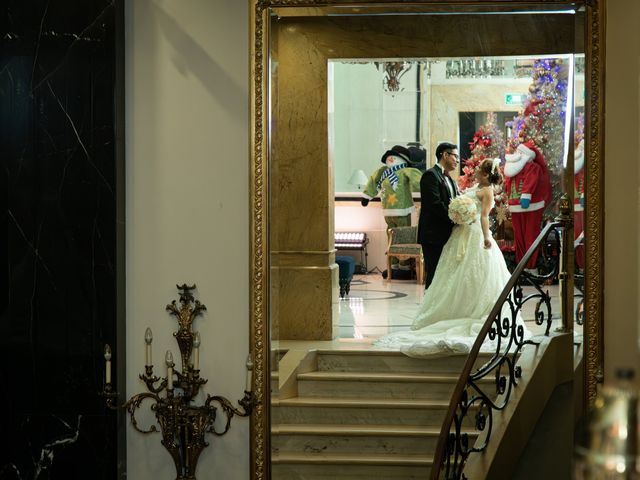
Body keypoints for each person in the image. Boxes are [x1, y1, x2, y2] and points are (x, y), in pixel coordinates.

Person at [374, 159, 529, 357]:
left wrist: (487, 237)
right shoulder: (477, 186)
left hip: (475, 235)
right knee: (452, 273)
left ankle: (471, 309)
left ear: (486, 174)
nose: (476, 173)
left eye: (479, 171)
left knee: (473, 273)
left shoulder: (488, 191)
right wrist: (458, 214)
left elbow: (483, 216)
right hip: (460, 233)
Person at [418, 142, 459, 289]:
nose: (457, 160)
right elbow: (434, 204)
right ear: (445, 155)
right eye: (455, 156)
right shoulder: (430, 175)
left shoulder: (452, 181)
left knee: (445, 275)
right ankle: (429, 307)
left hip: (448, 234)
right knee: (434, 273)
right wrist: (455, 218)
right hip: (433, 235)